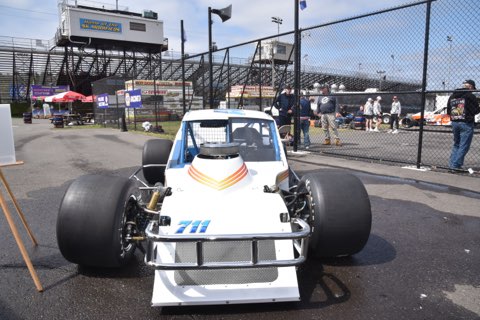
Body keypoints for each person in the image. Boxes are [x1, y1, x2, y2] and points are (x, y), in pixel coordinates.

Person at [446, 79, 480, 171]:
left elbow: (448, 110)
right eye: (473, 88)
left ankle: (452, 165)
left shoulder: (453, 95)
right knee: (464, 145)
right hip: (466, 123)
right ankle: (455, 166)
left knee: (457, 144)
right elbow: (476, 110)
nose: (473, 90)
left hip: (455, 122)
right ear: (470, 87)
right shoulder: (470, 96)